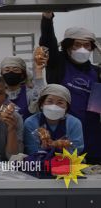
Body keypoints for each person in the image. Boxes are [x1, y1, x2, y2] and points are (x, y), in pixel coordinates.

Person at [39, 12, 101, 164]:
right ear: (67, 47)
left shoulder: (96, 72)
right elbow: (48, 42)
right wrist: (47, 19)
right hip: (61, 130)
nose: (82, 49)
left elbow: (98, 106)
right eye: (77, 45)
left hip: (91, 133)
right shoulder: (57, 64)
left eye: (86, 45)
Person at [23, 84, 84, 155]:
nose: (54, 106)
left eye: (60, 102)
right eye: (50, 101)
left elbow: (77, 149)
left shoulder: (74, 123)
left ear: (66, 107)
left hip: (67, 163)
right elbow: (31, 150)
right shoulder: (31, 122)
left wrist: (59, 147)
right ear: (42, 104)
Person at [0, 56, 44, 121]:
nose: (11, 73)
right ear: (2, 74)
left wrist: (38, 71)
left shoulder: (29, 93)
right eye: (7, 70)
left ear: (22, 74)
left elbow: (41, 97)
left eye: (15, 70)